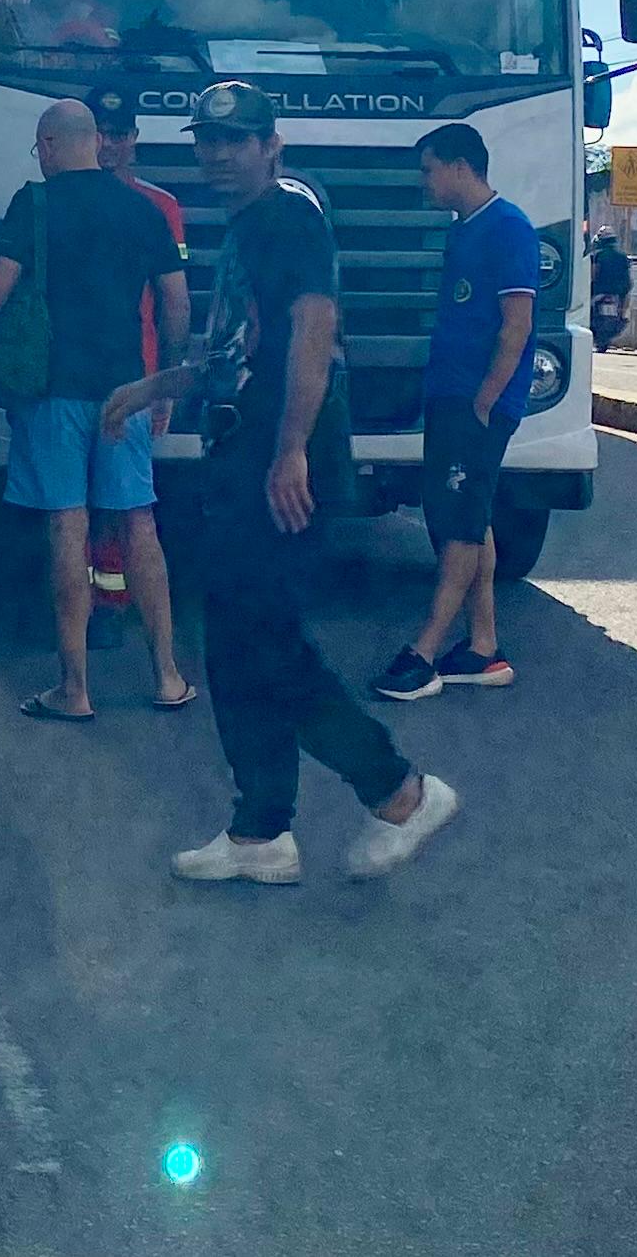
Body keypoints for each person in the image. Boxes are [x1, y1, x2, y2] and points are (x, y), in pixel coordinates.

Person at [105, 81, 457, 884]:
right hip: (242, 458)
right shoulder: (252, 226)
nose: (219, 156)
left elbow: (313, 329)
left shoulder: (290, 215)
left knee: (266, 644)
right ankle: (261, 832)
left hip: (281, 465)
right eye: (208, 142)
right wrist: (150, 390)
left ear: (273, 146)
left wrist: (292, 447)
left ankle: (399, 790)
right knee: (232, 644)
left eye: (236, 142)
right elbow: (231, 352)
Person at [0, 100, 192, 721]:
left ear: (47, 145)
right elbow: (176, 301)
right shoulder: (142, 209)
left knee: (68, 524)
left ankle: (75, 689)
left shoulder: (34, 205)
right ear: (96, 143)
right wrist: (166, 383)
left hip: (52, 390)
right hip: (126, 393)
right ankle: (169, 677)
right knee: (138, 522)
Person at [373, 122, 537, 700]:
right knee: (468, 516)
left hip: (477, 404)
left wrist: (488, 398)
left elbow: (517, 324)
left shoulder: (508, 228)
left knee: (458, 524)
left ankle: (424, 652)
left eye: (428, 170)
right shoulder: (461, 230)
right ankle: (483, 648)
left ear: (461, 166)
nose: (424, 183)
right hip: (450, 397)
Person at [85, 89, 186, 638]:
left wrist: (164, 386)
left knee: (127, 498)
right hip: (74, 371)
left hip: (137, 369)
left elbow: (173, 300)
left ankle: (112, 600)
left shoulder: (161, 207)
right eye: (101, 132)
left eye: (120, 134)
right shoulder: (56, 200)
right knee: (74, 499)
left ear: (134, 142)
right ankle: (86, 597)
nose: (110, 144)